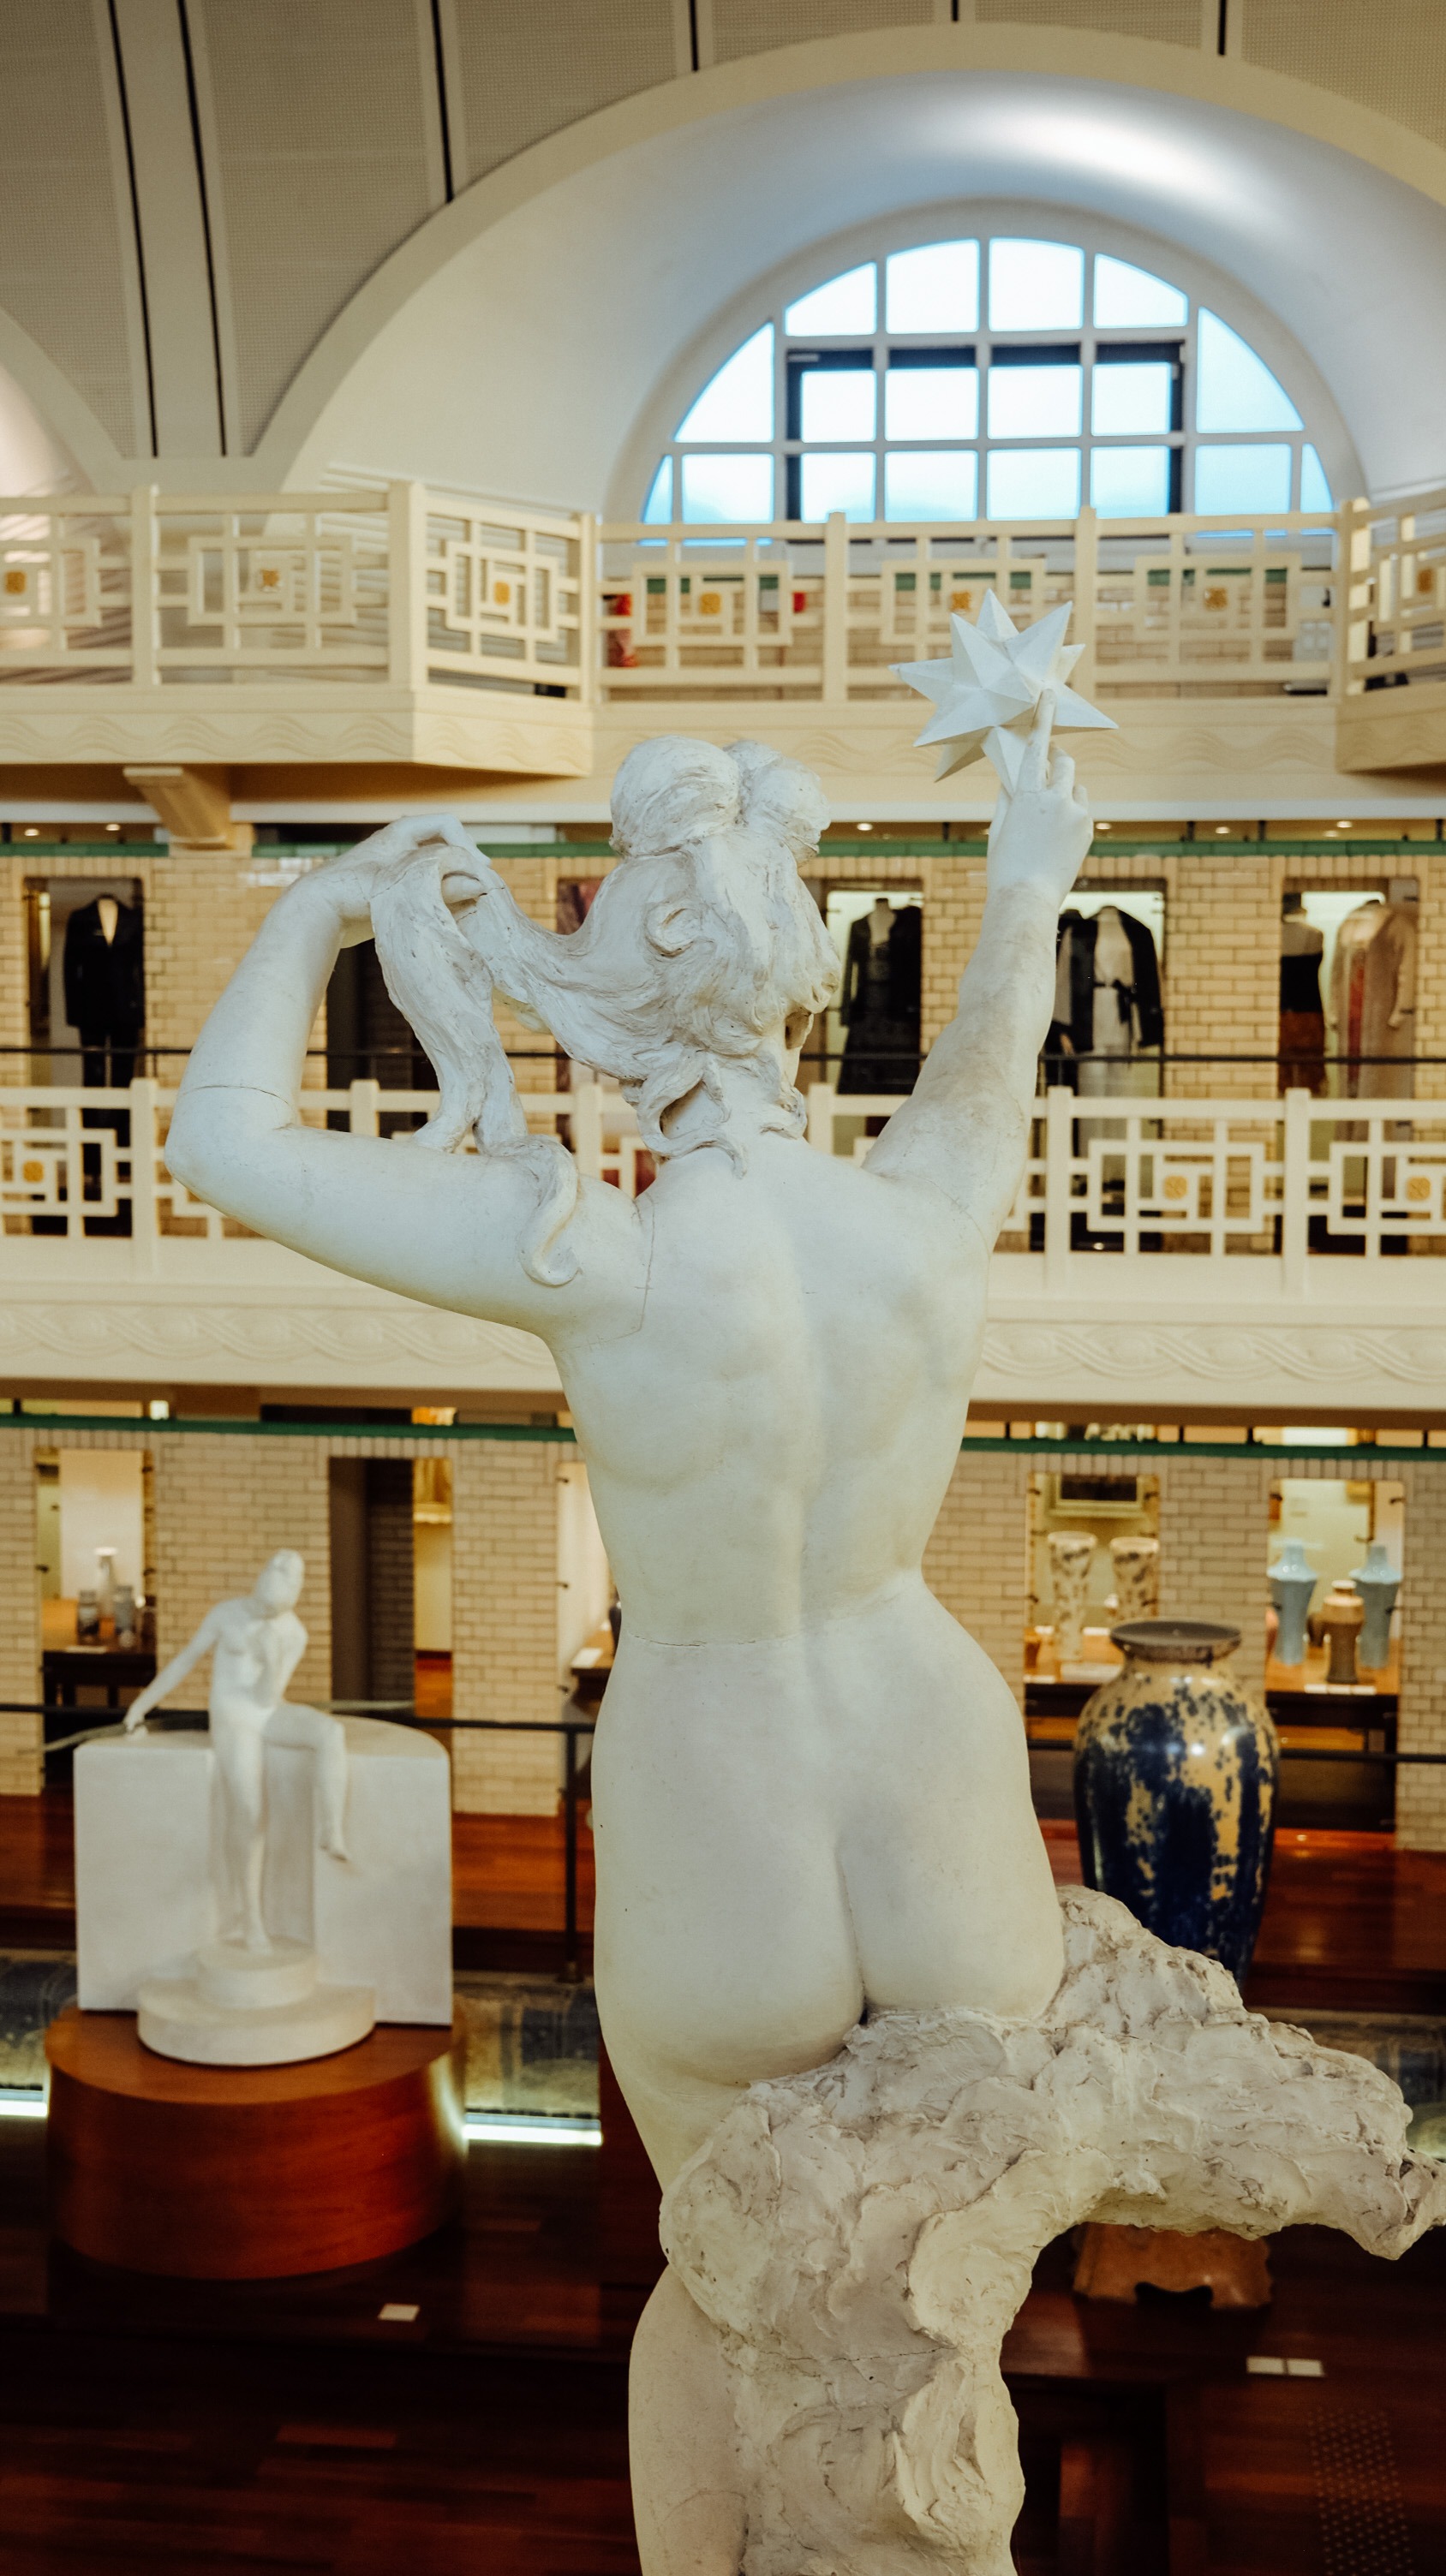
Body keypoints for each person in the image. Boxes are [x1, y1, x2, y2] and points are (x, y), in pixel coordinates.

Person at [163, 703, 1091, 2573]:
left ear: (630, 970)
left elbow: (225, 1140)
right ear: (791, 973)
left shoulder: (593, 1246)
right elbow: (991, 1050)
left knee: (714, 2286)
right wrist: (1023, 880)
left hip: (724, 1795)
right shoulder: (922, 1205)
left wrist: (317, 909)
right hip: (936, 1761)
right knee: (941, 2308)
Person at [123, 1549, 349, 1953]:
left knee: (330, 1733)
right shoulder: (227, 1614)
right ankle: (250, 1917)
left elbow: (267, 1698)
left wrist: (271, 1661)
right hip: (233, 1718)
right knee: (248, 1809)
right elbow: (185, 1661)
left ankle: (331, 1829)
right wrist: (141, 1705)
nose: (266, 1614)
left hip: (267, 1710)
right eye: (262, 1606)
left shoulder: (294, 1633)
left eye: (273, 1611)